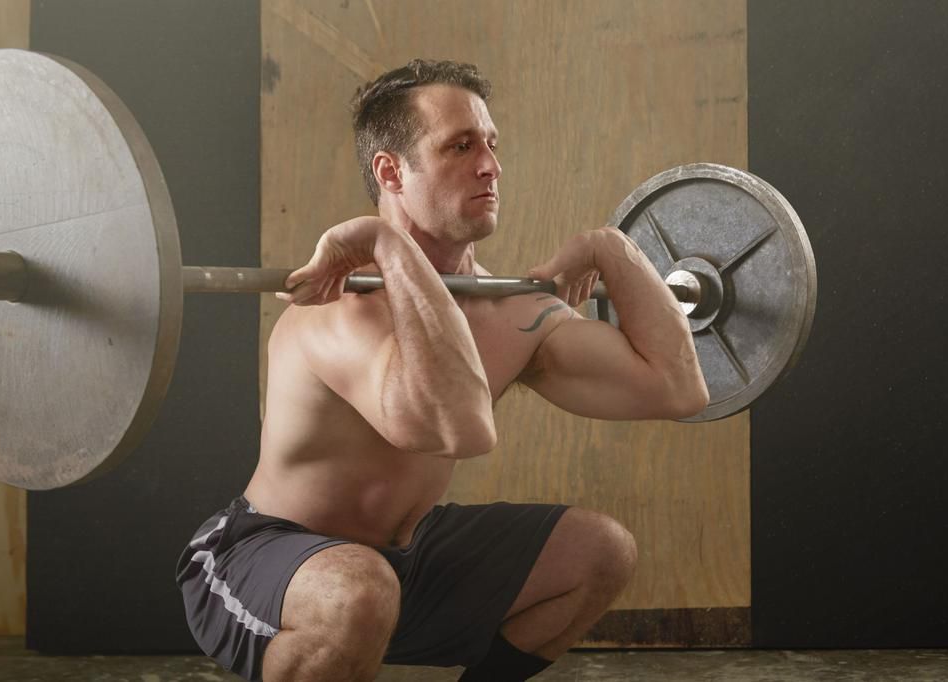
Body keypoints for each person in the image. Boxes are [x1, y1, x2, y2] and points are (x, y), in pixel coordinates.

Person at [177, 59, 708, 682]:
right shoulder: (340, 309)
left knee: (600, 552)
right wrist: (387, 243)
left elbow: (677, 388)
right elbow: (459, 429)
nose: (490, 165)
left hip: (404, 559)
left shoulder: (513, 311)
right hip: (268, 558)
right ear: (391, 171)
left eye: (491, 143)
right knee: (360, 589)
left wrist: (611, 249)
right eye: (460, 146)